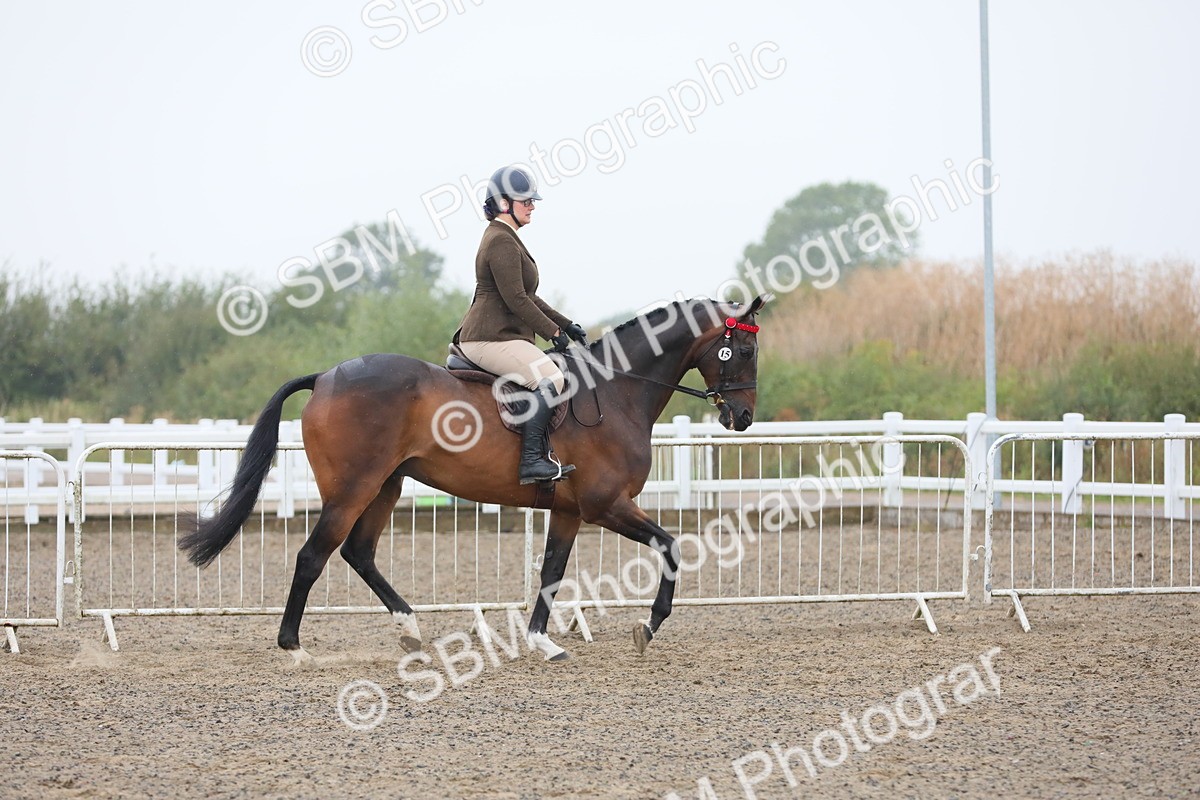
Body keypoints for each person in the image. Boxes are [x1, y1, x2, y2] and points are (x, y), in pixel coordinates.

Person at [454, 164, 588, 484]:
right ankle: (531, 461)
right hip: (488, 338)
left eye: (532, 201)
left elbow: (528, 295)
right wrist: (552, 332)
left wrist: (565, 325)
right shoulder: (501, 240)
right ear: (504, 203)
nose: (532, 206)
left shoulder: (506, 237)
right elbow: (516, 300)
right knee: (551, 378)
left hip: (501, 336)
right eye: (525, 201)